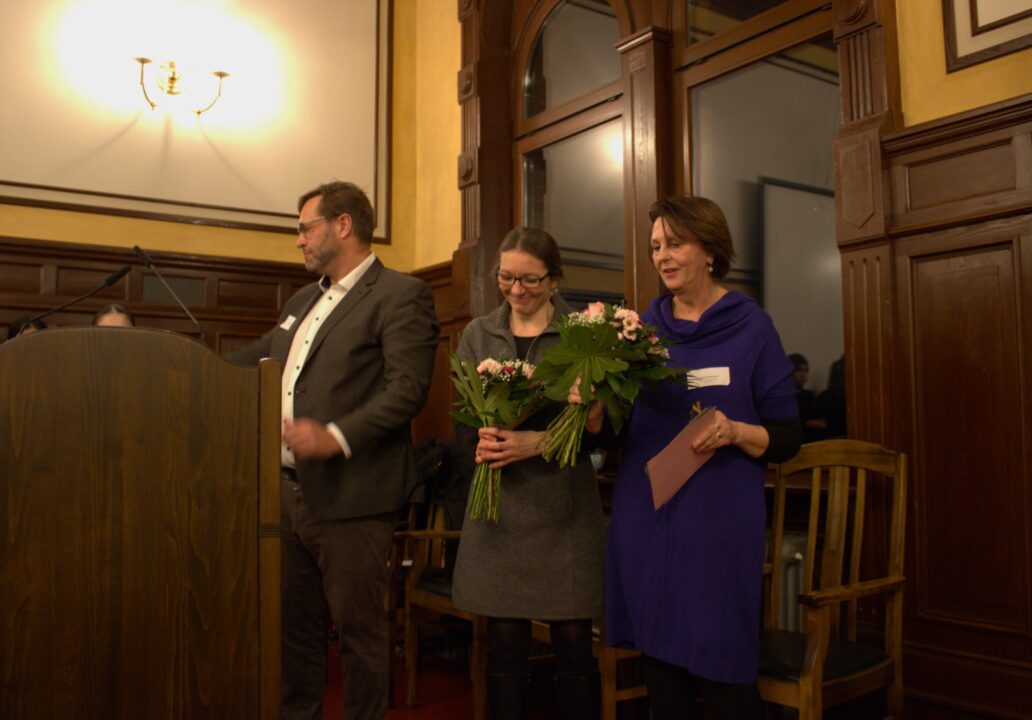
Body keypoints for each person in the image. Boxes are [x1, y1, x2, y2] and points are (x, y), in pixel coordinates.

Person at [227, 180, 439, 720]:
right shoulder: (303, 299)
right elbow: (260, 358)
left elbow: (407, 389)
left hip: (353, 497)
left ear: (342, 225)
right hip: (286, 494)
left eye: (305, 228)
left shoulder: (400, 294)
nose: (298, 240)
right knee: (293, 633)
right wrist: (183, 360)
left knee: (360, 636)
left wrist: (335, 435)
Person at [599, 196, 801, 719]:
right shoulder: (640, 333)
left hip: (717, 523)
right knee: (662, 672)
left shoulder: (752, 328)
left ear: (710, 250)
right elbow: (618, 431)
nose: (663, 256)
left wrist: (734, 431)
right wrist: (595, 413)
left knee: (724, 667)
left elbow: (787, 435)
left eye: (675, 244)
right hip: (648, 515)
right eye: (656, 247)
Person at [451, 227, 606, 720]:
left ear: (554, 280)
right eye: (506, 278)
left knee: (575, 644)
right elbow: (463, 416)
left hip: (565, 512)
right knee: (504, 644)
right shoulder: (479, 334)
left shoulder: (584, 334)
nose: (517, 290)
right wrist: (481, 436)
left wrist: (537, 441)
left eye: (531, 281)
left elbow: (605, 434)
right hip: (500, 513)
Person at [788, 353, 826, 443]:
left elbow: (822, 423)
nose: (803, 374)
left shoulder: (809, 396)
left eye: (806, 370)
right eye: (798, 370)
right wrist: (807, 423)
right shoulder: (783, 396)